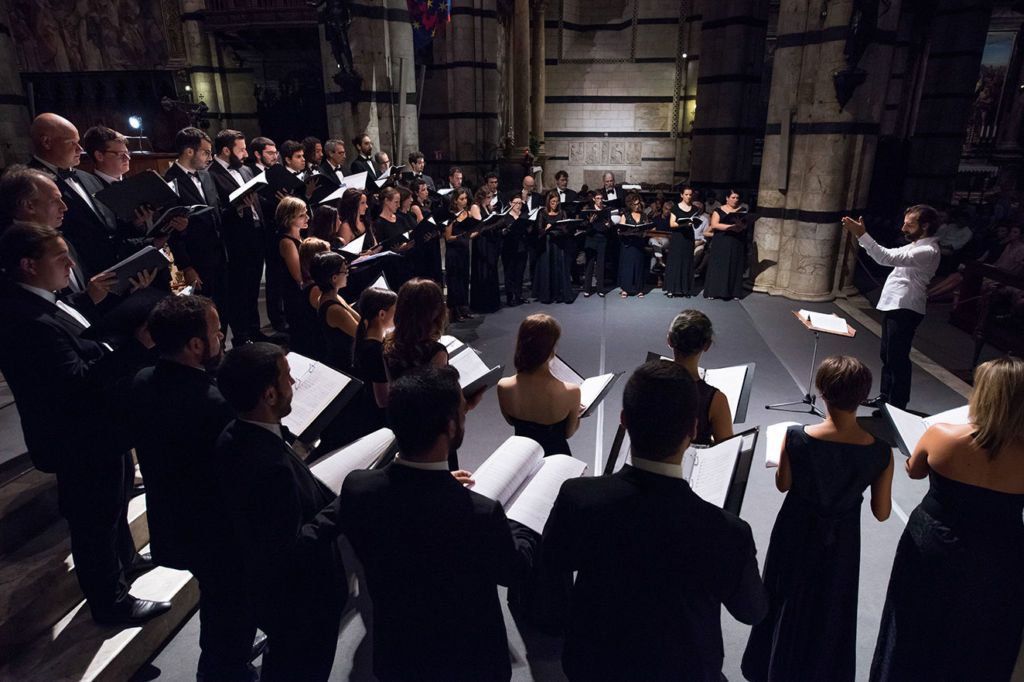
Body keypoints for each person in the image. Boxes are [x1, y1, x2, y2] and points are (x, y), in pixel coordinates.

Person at [542, 360, 768, 680]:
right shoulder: (728, 531)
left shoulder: (578, 497)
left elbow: (550, 569)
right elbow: (752, 611)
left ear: (624, 421)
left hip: (594, 664)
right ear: (692, 430)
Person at [0, 222, 168, 626]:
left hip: (101, 427)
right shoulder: (27, 319)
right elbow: (76, 382)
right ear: (28, 265)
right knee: (95, 519)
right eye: (61, 258)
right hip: (77, 437)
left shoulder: (47, 301)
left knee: (116, 498)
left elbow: (83, 338)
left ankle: (126, 561)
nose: (71, 264)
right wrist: (136, 346)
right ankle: (111, 604)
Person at [327, 365, 537, 681]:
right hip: (468, 662)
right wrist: (520, 525)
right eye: (463, 412)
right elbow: (513, 571)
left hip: (398, 654)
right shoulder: (481, 514)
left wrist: (438, 482)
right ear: (450, 428)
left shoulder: (358, 488)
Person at [129, 295, 259, 681]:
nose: (221, 337)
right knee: (230, 603)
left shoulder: (142, 381)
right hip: (217, 532)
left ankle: (224, 658)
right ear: (195, 344)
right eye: (216, 332)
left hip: (174, 521)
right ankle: (226, 669)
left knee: (218, 600)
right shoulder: (213, 404)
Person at [870, 356, 1024, 681]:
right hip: (999, 555)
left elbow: (914, 471)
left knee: (914, 623)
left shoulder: (942, 435)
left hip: (935, 543)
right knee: (979, 638)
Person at [742, 355, 893, 682]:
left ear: (821, 391)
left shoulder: (796, 437)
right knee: (831, 604)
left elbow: (783, 484)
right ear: (863, 396)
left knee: (786, 596)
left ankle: (773, 667)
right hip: (842, 541)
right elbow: (881, 513)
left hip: (795, 531)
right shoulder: (880, 452)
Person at [214, 343, 346, 682]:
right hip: (302, 604)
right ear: (269, 395)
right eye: (288, 377)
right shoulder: (268, 466)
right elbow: (292, 547)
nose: (294, 383)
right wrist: (342, 505)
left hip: (272, 598)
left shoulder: (233, 435)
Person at [842, 205, 941, 410]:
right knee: (887, 355)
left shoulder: (928, 250)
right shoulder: (915, 246)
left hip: (907, 307)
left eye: (909, 225)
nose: (903, 228)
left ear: (925, 226)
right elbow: (885, 254)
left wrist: (861, 234)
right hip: (898, 305)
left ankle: (897, 406)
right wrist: (862, 236)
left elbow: (885, 258)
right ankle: (885, 397)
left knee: (898, 358)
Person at [27, 114, 121, 279]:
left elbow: (109, 228)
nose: (80, 149)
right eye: (72, 143)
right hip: (77, 279)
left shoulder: (90, 178)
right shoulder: (28, 183)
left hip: (116, 270)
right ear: (46, 142)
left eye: (79, 142)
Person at [208, 129, 267, 346]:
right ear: (226, 150)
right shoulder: (211, 174)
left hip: (256, 234)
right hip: (235, 241)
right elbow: (217, 211)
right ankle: (241, 336)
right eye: (241, 150)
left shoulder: (245, 169)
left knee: (253, 288)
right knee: (239, 290)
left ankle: (255, 330)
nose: (245, 154)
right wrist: (238, 208)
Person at [496, 314, 581, 456]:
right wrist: (577, 415)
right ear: (552, 348)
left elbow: (511, 421)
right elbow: (568, 433)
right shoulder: (571, 391)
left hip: (523, 456)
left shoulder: (503, 386)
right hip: (556, 458)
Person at [163, 127, 227, 306]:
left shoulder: (206, 176)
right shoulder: (169, 181)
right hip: (196, 259)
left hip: (219, 255)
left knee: (224, 306)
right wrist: (186, 267)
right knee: (202, 309)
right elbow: (172, 230)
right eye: (206, 152)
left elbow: (215, 212)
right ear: (189, 151)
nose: (210, 157)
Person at [666, 310, 733, 445]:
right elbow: (726, 451)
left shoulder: (647, 384)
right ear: (707, 345)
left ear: (670, 341)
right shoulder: (716, 400)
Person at [351, 286, 398, 431]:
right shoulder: (374, 350)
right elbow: (383, 399)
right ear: (382, 314)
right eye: (395, 311)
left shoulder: (366, 340)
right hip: (381, 422)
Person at [311, 251, 359, 373]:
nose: (347, 273)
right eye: (345, 271)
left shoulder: (331, 296)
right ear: (334, 278)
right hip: (345, 364)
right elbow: (362, 333)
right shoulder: (334, 309)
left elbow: (358, 318)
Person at [703, 189, 748, 300]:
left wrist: (740, 226)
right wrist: (730, 227)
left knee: (734, 265)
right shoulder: (718, 210)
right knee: (719, 265)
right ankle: (714, 291)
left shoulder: (742, 210)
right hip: (721, 240)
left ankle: (733, 292)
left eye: (737, 198)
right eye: (733, 197)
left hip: (736, 241)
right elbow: (714, 225)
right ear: (727, 198)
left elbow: (745, 225)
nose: (735, 200)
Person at [274, 196, 308, 341]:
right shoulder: (287, 243)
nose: (307, 217)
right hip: (296, 297)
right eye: (302, 215)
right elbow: (299, 277)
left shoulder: (299, 238)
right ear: (289, 219)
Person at [533, 190, 575, 304]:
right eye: (552, 202)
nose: (555, 204)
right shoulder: (542, 213)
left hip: (559, 244)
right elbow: (539, 230)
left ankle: (560, 294)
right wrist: (546, 229)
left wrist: (562, 228)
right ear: (548, 202)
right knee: (548, 268)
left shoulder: (562, 212)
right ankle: (548, 295)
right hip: (547, 244)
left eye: (557, 202)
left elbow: (566, 230)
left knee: (559, 268)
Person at [444, 186, 476, 322]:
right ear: (455, 200)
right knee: (454, 280)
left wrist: (479, 230)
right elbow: (448, 237)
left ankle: (464, 307)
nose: (464, 201)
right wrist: (460, 236)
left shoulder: (468, 214)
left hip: (464, 250)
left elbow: (470, 233)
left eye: (465, 199)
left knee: (464, 279)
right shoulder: (451, 216)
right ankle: (455, 310)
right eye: (461, 199)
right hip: (453, 252)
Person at [470, 185, 503, 313]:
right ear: (481, 197)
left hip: (489, 242)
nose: (490, 200)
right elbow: (480, 226)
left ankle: (492, 302)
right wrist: (493, 223)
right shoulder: (475, 207)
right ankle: (482, 304)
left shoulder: (487, 207)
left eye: (491, 197)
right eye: (488, 197)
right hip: (481, 242)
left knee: (491, 269)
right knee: (482, 271)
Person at [665, 186, 700, 297]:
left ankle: (685, 289)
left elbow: (696, 223)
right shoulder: (675, 208)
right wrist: (684, 224)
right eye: (686, 194)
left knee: (687, 261)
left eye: (690, 195)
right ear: (681, 195)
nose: (688, 197)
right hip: (678, 237)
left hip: (689, 237)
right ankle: (671, 289)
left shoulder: (695, 208)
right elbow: (672, 224)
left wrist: (695, 222)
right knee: (675, 261)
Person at [409, 177, 443, 283]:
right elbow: (422, 224)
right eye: (423, 190)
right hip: (425, 244)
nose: (427, 192)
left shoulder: (427, 204)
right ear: (416, 193)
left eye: (426, 189)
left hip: (433, 240)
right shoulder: (415, 207)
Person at [616, 192, 647, 297]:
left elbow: (645, 230)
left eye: (638, 204)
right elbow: (620, 230)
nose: (637, 206)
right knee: (627, 266)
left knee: (639, 265)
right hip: (628, 244)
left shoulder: (643, 215)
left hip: (639, 243)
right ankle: (626, 288)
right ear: (630, 204)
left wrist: (645, 231)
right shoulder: (625, 215)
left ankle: (639, 289)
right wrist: (624, 231)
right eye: (634, 204)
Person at [582, 191, 612, 297]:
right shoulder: (589, 210)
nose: (600, 201)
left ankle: (600, 289)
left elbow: (608, 226)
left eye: (601, 198)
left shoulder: (606, 210)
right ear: (594, 199)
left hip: (602, 239)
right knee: (589, 264)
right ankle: (587, 288)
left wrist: (608, 226)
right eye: (598, 198)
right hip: (591, 239)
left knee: (600, 264)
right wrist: (590, 222)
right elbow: (585, 226)